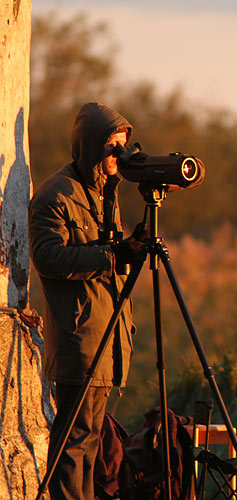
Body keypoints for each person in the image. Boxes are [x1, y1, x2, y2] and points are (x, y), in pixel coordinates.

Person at [29, 102, 144, 500]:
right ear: (91, 145)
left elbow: (109, 255)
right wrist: (114, 254)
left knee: (91, 443)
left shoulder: (105, 193)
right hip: (79, 336)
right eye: (112, 146)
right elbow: (48, 257)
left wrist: (127, 249)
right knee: (73, 442)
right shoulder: (57, 193)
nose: (118, 155)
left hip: (107, 335)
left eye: (123, 146)